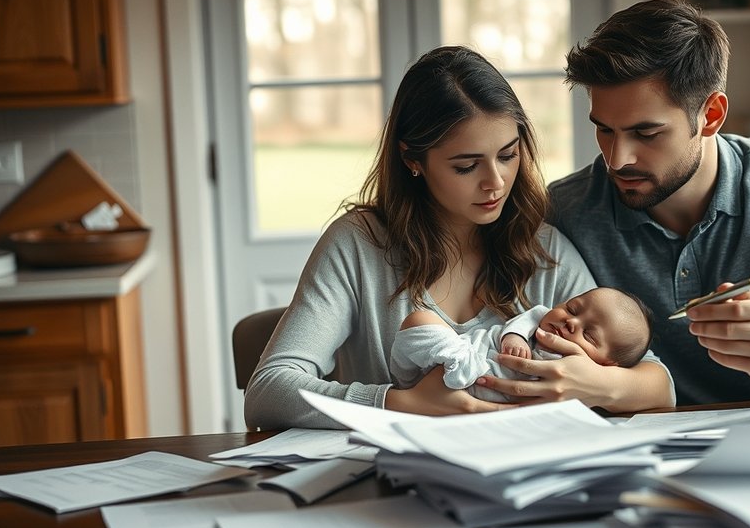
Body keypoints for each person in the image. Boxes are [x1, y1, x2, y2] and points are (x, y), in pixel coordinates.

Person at [480, 0, 750, 407]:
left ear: (710, 116)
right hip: (629, 458)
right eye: (605, 129)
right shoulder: (565, 210)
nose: (617, 158)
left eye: (646, 133)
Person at [244, 46, 674, 430]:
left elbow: (658, 387)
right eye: (466, 166)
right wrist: (398, 403)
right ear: (413, 159)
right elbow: (267, 392)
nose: (496, 183)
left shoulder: (544, 249)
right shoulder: (359, 245)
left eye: (507, 155)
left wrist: (594, 382)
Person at [390, 286, 653, 403]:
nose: (571, 322)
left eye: (590, 335)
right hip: (450, 362)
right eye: (572, 308)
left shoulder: (579, 376)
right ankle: (459, 362)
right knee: (419, 319)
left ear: (605, 364)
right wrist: (513, 337)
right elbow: (523, 321)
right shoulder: (539, 320)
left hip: (478, 411)